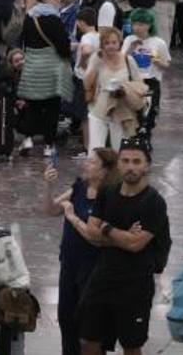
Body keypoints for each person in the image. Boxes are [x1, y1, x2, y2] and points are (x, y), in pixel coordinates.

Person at [79, 137, 171, 355]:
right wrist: (122, 236)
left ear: (147, 165)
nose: (130, 167)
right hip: (103, 276)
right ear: (118, 164)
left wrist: (106, 227)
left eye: (137, 161)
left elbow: (135, 244)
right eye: (125, 161)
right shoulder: (107, 192)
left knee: (131, 344)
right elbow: (91, 231)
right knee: (88, 340)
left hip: (135, 284)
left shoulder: (154, 202)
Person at [42, 147, 121, 355]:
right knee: (66, 318)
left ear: (105, 170)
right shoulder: (79, 187)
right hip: (69, 262)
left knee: (89, 326)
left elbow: (96, 239)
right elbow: (51, 210)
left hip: (93, 267)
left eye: (92, 162)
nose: (86, 164)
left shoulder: (109, 196)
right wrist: (49, 186)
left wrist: (72, 217)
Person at [17, 0, 73, 157]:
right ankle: (48, 145)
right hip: (51, 67)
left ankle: (27, 139)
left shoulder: (30, 16)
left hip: (33, 66)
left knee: (33, 105)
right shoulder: (54, 19)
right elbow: (63, 45)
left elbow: (24, 40)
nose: (59, 0)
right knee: (52, 107)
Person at [83, 26, 142, 151]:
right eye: (107, 43)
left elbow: (139, 83)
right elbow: (87, 84)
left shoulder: (128, 60)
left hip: (121, 108)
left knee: (119, 149)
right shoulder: (97, 59)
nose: (111, 46)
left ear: (119, 43)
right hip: (99, 109)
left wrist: (126, 89)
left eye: (114, 42)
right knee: (95, 150)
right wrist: (95, 65)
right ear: (102, 45)